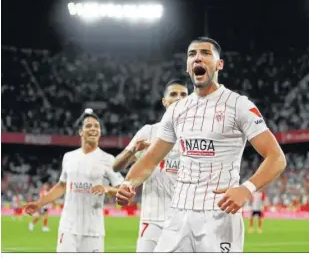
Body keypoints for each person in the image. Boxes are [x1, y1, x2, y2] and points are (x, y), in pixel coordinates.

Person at [116, 37, 287, 252]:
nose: (198, 57)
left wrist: (246, 188)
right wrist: (129, 183)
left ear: (219, 64)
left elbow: (277, 158)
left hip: (219, 214)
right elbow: (150, 159)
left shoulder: (239, 105)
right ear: (188, 67)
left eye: (205, 53)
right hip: (178, 214)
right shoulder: (176, 111)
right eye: (192, 54)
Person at [24, 109, 123, 253]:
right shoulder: (68, 157)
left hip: (93, 230)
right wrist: (40, 203)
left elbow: (122, 190)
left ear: (100, 132)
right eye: (88, 126)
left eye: (97, 126)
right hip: (68, 227)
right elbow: (62, 186)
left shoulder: (108, 160)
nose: (93, 129)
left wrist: (107, 189)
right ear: (80, 131)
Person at [113, 79, 188, 252]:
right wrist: (132, 150)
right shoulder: (149, 131)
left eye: (184, 95)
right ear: (164, 101)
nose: (179, 98)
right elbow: (117, 166)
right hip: (153, 220)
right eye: (173, 94)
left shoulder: (196, 136)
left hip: (185, 222)